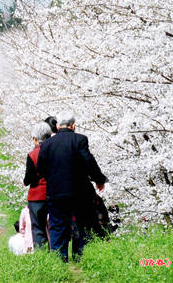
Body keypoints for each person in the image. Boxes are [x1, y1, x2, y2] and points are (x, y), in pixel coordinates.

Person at [36, 111, 107, 262]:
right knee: (82, 225)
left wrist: (53, 177)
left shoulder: (47, 144)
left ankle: (59, 260)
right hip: (79, 193)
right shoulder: (80, 140)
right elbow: (89, 162)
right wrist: (99, 180)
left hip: (55, 193)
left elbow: (40, 168)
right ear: (73, 125)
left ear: (57, 125)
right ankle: (80, 257)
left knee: (57, 227)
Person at [23, 122, 53, 249]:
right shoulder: (55, 151)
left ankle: (41, 254)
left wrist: (25, 181)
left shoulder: (32, 155)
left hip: (37, 196)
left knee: (38, 227)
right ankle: (58, 255)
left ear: (35, 139)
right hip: (54, 193)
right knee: (55, 226)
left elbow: (28, 178)